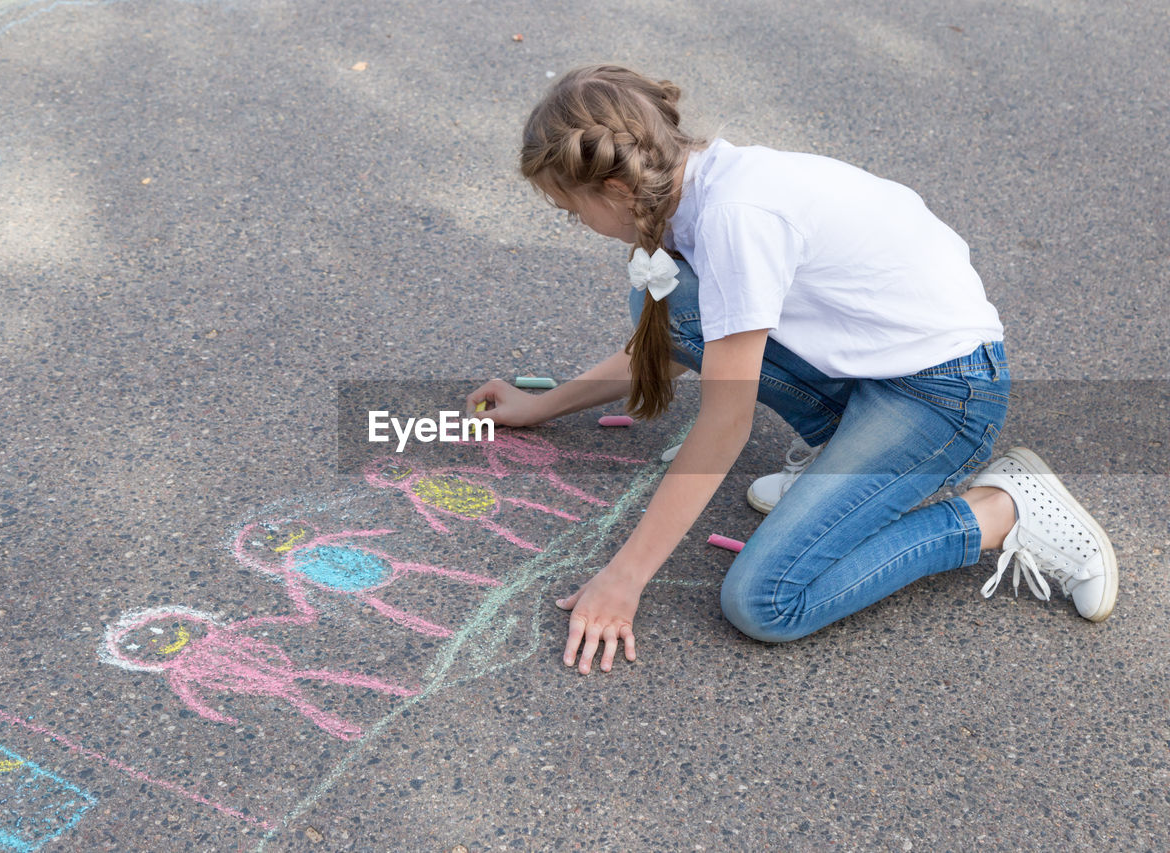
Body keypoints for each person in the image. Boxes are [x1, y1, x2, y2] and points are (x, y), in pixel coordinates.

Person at [465, 65, 1117, 675]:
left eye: (570, 209)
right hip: (880, 367)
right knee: (667, 304)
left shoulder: (734, 221)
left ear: (613, 187)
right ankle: (839, 460)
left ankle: (999, 510)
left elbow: (725, 425)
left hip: (945, 394)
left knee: (765, 600)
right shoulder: (690, 191)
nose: (576, 222)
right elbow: (664, 343)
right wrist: (541, 406)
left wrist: (624, 576)